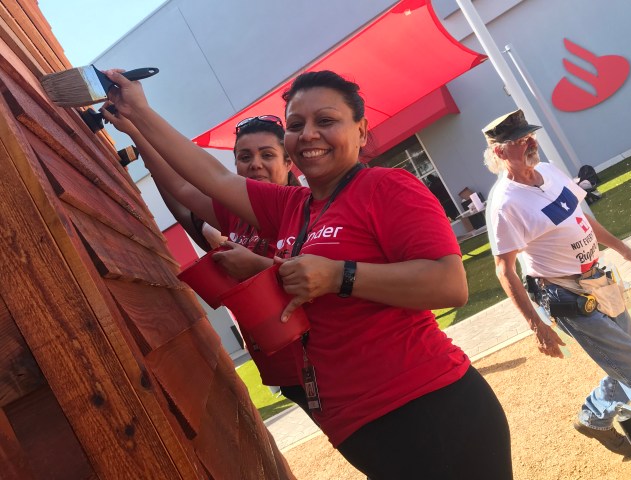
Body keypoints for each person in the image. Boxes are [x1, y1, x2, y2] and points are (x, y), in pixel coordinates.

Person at [105, 68, 513, 479]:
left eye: (326, 120)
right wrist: (139, 114)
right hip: (352, 422)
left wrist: (340, 275)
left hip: (427, 404)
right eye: (297, 125)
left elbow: (448, 284)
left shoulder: (388, 186)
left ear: (360, 129)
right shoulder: (291, 206)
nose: (309, 134)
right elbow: (209, 178)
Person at [102, 106, 310, 413]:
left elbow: (325, 278)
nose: (255, 165)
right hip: (280, 365)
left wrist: (256, 266)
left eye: (267, 155)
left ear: (288, 161)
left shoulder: (304, 210)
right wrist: (136, 133)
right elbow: (183, 190)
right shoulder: (237, 213)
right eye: (245, 157)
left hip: (318, 360)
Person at [483, 109, 631, 459]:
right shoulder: (504, 203)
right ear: (499, 152)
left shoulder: (549, 171)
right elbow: (504, 270)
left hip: (597, 280)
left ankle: (593, 417)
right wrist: (536, 326)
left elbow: (587, 221)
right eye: (519, 140)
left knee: (629, 356)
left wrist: (630, 255)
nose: (530, 142)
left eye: (530, 135)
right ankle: (601, 417)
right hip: (564, 296)